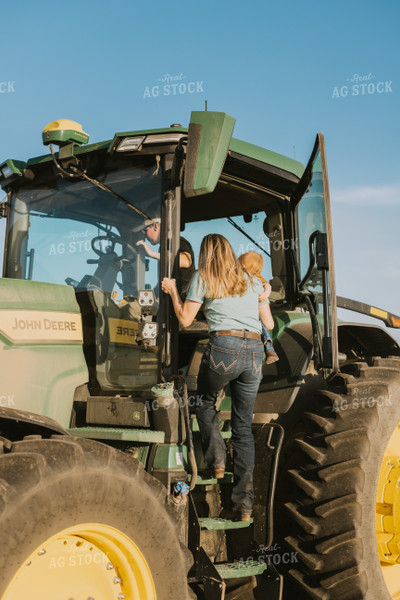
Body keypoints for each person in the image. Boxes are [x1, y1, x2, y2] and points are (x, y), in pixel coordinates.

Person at [161, 233, 274, 521]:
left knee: (204, 403)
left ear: (205, 253)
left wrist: (173, 290)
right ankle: (244, 506)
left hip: (225, 347)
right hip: (255, 353)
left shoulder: (204, 276)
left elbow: (185, 319)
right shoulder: (251, 280)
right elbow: (266, 320)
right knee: (243, 428)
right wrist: (265, 291)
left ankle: (217, 461)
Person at [136, 218, 195, 300]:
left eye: (145, 231)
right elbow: (164, 281)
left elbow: (186, 261)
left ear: (155, 226)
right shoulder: (162, 248)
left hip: (181, 302)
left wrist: (152, 254)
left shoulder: (177, 242)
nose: (145, 236)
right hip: (170, 302)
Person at [239, 251, 279, 364]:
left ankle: (268, 344)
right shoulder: (257, 282)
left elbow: (267, 286)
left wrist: (265, 293)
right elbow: (267, 286)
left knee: (259, 318)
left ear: (243, 266)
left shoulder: (249, 281)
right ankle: (268, 345)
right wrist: (266, 293)